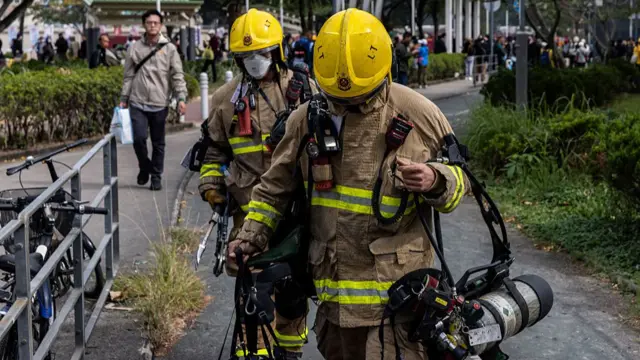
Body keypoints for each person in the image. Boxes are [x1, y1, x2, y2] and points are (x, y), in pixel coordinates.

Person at [230, 8, 469, 360]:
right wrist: (249, 237)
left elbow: (462, 186)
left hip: (398, 301)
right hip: (335, 298)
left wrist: (437, 179)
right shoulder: (308, 118)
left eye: (358, 98)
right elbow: (273, 189)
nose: (345, 105)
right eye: (337, 99)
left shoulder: (419, 114)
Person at [198, 8, 316, 359]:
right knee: (254, 292)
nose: (255, 61)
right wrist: (211, 188)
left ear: (276, 51)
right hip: (249, 213)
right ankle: (254, 351)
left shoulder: (302, 89)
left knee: (293, 290)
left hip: (298, 211)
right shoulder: (224, 101)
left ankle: (290, 351)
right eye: (247, 56)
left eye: (262, 53)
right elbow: (214, 153)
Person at [120, 9, 187, 191]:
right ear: (144, 24)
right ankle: (144, 166)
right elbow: (128, 76)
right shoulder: (134, 48)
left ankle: (156, 175)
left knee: (158, 143)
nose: (152, 25)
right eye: (149, 22)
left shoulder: (169, 49)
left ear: (161, 25)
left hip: (159, 103)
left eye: (156, 23)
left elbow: (177, 75)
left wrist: (181, 97)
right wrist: (124, 98)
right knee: (139, 138)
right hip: (137, 101)